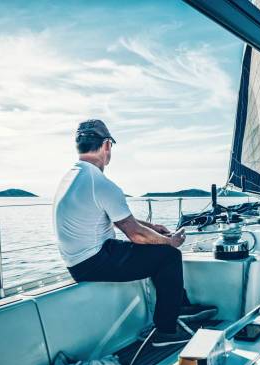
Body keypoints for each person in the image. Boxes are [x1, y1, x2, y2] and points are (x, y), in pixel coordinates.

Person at [53, 119, 216, 347]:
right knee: (168, 256)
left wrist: (152, 228)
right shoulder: (100, 183)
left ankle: (179, 304)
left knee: (153, 247)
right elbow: (136, 236)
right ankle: (166, 331)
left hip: (79, 261)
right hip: (93, 261)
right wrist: (170, 241)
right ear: (106, 145)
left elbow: (119, 218)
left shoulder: (74, 176)